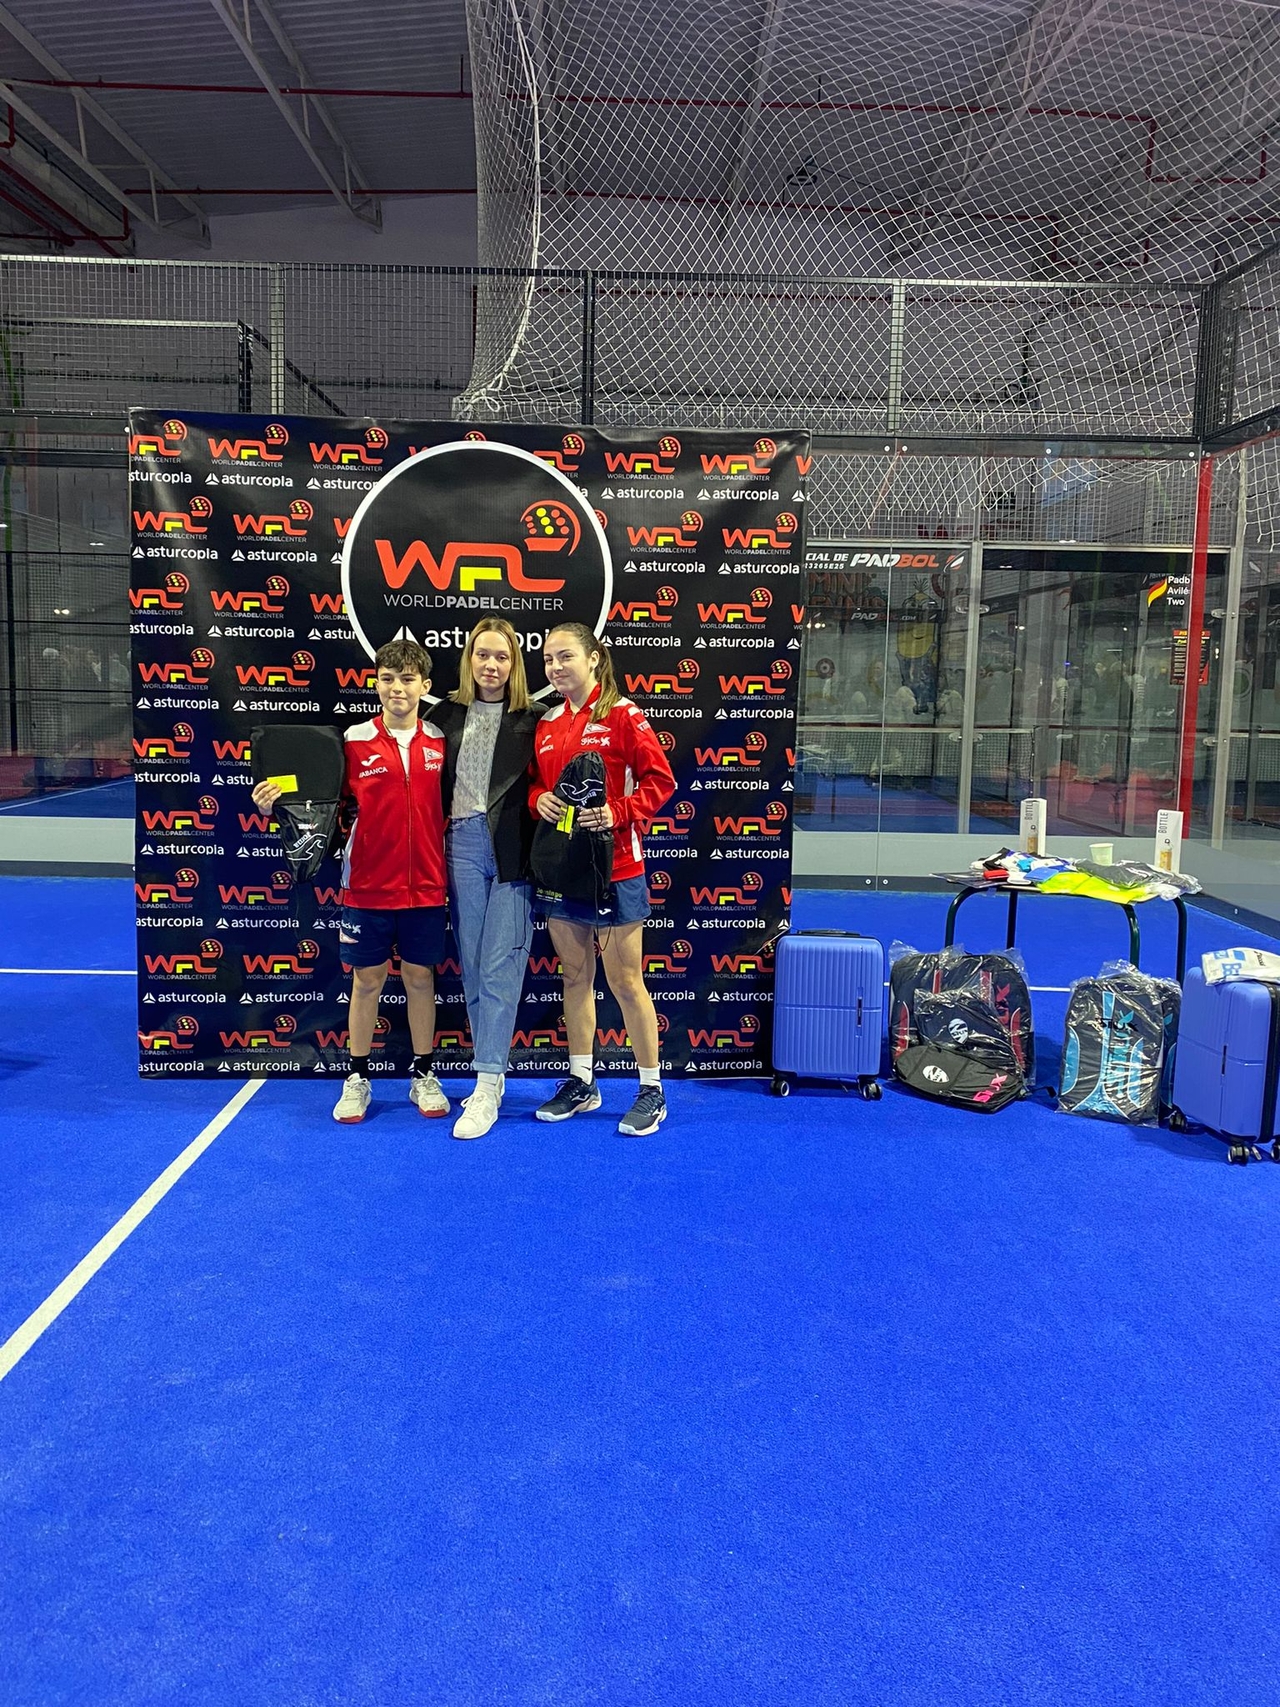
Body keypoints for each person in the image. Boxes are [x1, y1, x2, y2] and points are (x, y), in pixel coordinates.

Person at [251, 638, 450, 1125]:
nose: (397, 688)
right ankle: (357, 1077)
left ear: (424, 686)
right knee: (367, 981)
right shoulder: (352, 741)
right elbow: (316, 800)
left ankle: (424, 1073)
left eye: (408, 679)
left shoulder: (442, 740)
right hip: (367, 884)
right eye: (388, 678)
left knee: (420, 978)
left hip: (427, 884)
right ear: (375, 683)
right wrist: (274, 803)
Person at [530, 622, 676, 1136]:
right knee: (575, 977)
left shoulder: (622, 714)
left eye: (565, 656)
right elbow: (536, 785)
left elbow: (661, 781)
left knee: (626, 982)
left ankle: (651, 1089)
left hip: (617, 869)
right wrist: (538, 800)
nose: (555, 667)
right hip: (562, 869)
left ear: (593, 658)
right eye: (548, 659)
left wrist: (619, 811)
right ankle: (582, 1082)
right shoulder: (547, 723)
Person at [433, 621, 542, 1139]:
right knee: (474, 967)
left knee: (502, 966)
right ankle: (490, 1078)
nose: (491, 665)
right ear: (469, 660)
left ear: (514, 663)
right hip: (461, 845)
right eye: (483, 655)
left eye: (501, 656)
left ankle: (486, 1081)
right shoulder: (443, 717)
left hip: (514, 850)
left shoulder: (535, 720)